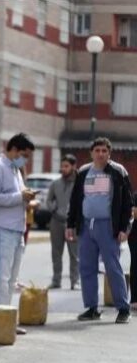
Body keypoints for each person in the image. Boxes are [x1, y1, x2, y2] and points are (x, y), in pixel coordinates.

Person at [66, 137, 132, 324]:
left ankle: (123, 308)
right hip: (87, 225)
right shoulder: (84, 172)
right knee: (86, 267)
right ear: (91, 153)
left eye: (104, 151)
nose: (101, 154)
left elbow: (128, 203)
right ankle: (92, 307)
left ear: (109, 153)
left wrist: (124, 228)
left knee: (113, 267)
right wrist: (71, 225)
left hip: (108, 226)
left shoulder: (118, 172)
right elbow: (75, 200)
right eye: (97, 151)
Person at [0, 133, 36, 336]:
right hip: (0, 229)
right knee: (1, 279)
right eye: (24, 155)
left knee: (11, 280)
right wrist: (20, 196)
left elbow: (17, 196)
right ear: (13, 149)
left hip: (16, 229)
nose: (26, 160)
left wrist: (27, 198)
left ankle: (7, 321)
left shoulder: (15, 170)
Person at [47, 155, 79, 290]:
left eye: (66, 166)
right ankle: (56, 280)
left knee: (75, 254)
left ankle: (75, 281)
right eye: (62, 166)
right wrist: (53, 208)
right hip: (56, 222)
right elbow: (48, 200)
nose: (63, 169)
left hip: (73, 224)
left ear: (73, 166)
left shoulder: (79, 184)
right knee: (56, 253)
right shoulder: (55, 184)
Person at [128, 193, 137, 310]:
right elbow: (134, 213)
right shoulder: (135, 195)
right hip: (135, 236)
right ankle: (134, 298)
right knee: (135, 265)